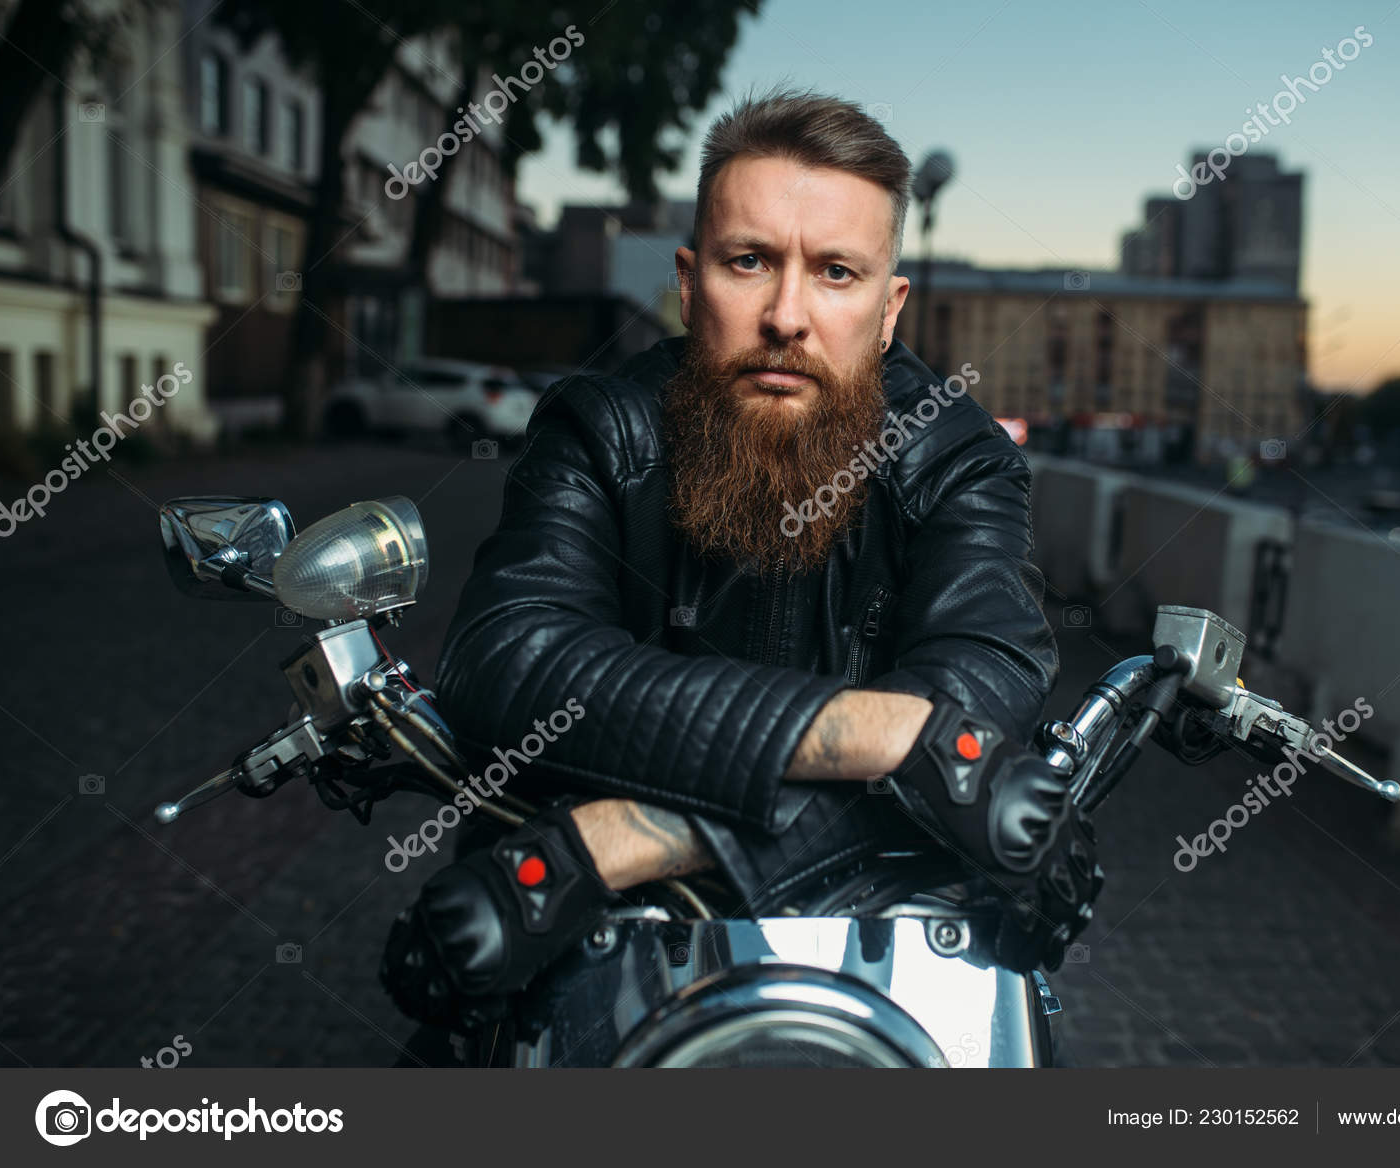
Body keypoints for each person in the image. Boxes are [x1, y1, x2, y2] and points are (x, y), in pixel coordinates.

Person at [380, 86, 1102, 1056]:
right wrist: (880, 731)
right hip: (600, 962)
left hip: (866, 949)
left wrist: (609, 844)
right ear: (689, 283)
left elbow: (979, 696)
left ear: (889, 312)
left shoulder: (954, 457)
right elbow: (508, 659)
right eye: (749, 261)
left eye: (836, 272)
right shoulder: (602, 428)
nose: (786, 315)